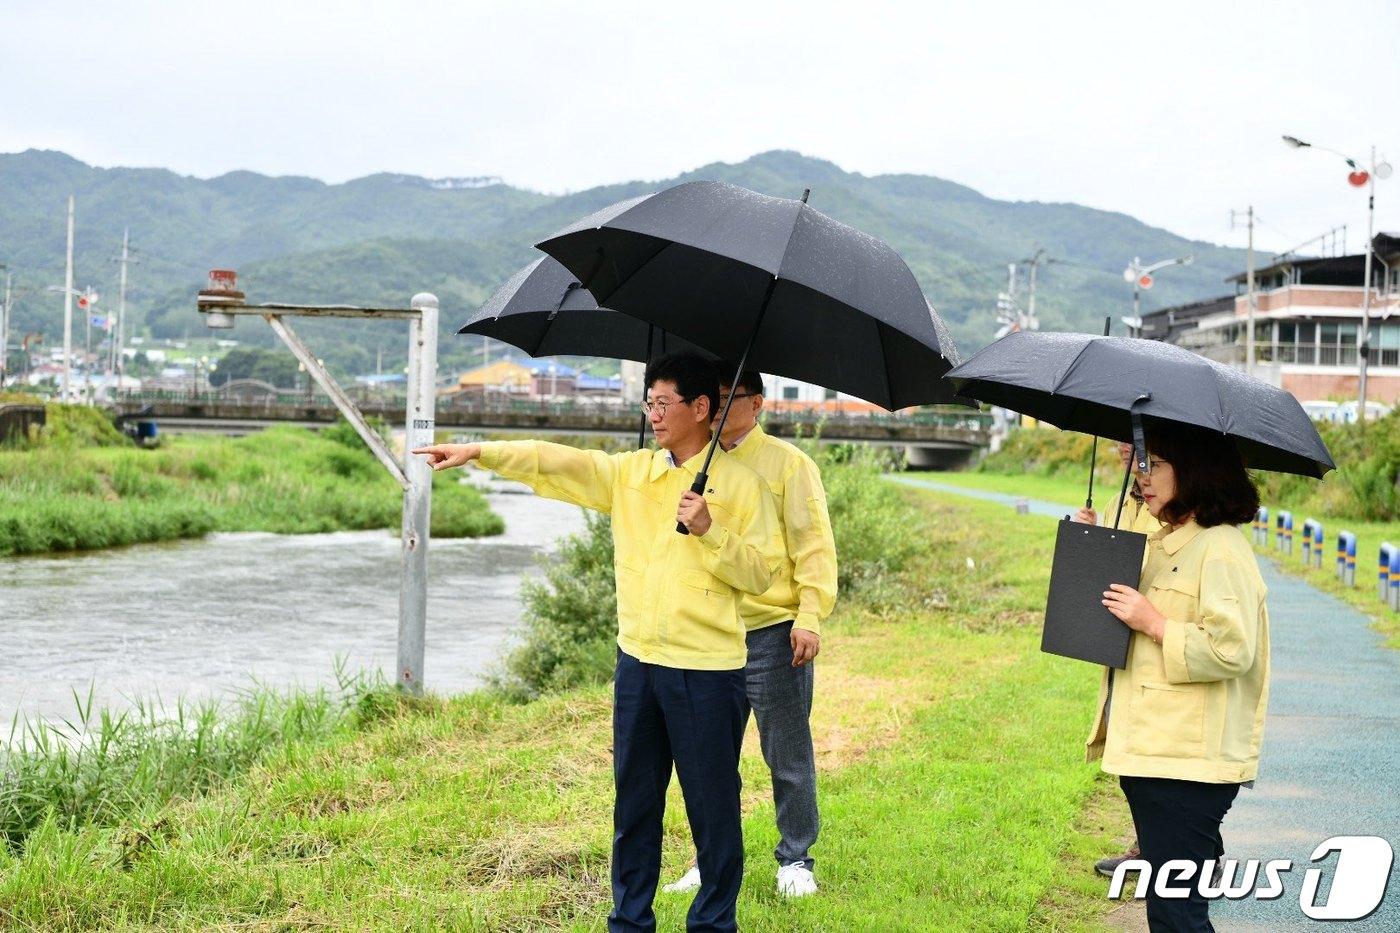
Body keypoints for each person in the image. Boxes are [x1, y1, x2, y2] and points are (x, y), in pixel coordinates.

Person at [413, 351, 778, 933]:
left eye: (664, 403)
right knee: (634, 806)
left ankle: (713, 923)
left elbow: (762, 576)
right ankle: (629, 922)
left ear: (701, 407)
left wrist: (712, 531)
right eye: (648, 403)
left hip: (708, 673)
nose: (653, 414)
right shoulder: (634, 474)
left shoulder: (743, 485)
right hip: (638, 665)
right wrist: (482, 451)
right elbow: (565, 464)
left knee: (713, 811)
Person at [1084, 421, 1268, 933]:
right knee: (1176, 907)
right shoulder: (1171, 543)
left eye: (1156, 464)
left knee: (1176, 914)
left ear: (1196, 471)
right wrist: (1093, 545)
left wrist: (1157, 624)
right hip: (1158, 750)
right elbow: (1113, 614)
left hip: (1187, 762)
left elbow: (1233, 651)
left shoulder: (1221, 548)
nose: (1141, 475)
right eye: (1142, 463)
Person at [662, 370, 837, 899]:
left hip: (772, 630)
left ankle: (796, 858)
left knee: (785, 750)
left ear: (756, 403)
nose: (712, 408)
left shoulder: (788, 464)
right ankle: (707, 858)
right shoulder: (696, 461)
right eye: (707, 399)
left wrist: (809, 616)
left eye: (725, 398)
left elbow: (814, 546)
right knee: (708, 757)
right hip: (708, 629)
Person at [1074, 441, 1163, 878]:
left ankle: (1182, 853)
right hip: (1118, 642)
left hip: (1153, 642)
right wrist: (1084, 531)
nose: (1126, 451)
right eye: (1120, 444)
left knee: (1152, 757)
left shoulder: (1168, 508)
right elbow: (1096, 570)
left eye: (1138, 445)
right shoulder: (1115, 503)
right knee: (1126, 751)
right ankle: (1149, 845)